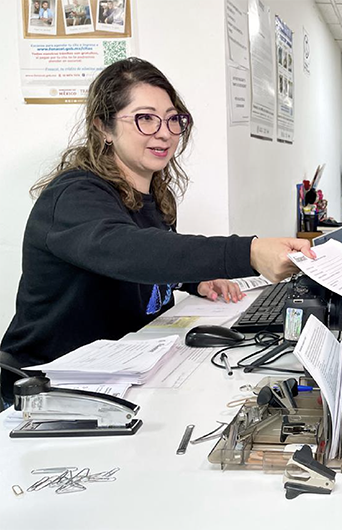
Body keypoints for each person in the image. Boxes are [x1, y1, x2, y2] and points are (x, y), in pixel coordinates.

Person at [0, 58, 313, 407]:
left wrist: (193, 281)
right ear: (103, 127)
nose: (164, 133)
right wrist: (249, 252)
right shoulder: (73, 195)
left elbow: (150, 260)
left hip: (123, 372)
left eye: (172, 119)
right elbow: (127, 251)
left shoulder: (154, 197)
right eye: (145, 118)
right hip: (49, 385)